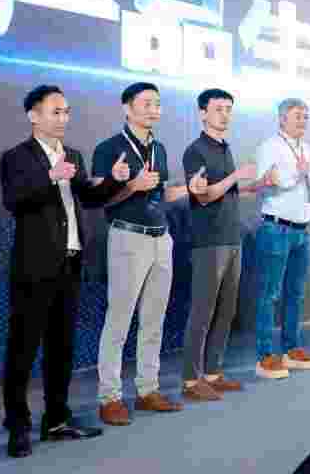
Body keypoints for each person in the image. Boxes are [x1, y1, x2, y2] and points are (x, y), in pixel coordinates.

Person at [0, 85, 130, 458]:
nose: (63, 118)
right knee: (22, 349)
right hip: (33, 267)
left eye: (66, 111)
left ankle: (56, 419)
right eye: (55, 111)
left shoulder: (73, 154)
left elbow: (88, 198)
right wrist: (51, 176)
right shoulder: (17, 156)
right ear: (33, 115)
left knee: (61, 348)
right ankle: (17, 425)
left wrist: (114, 180)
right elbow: (14, 200)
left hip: (70, 265)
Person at [92, 82, 206, 425]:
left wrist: (189, 189)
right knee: (119, 321)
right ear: (127, 108)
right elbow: (98, 200)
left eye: (157, 103)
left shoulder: (159, 148)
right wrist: (130, 185)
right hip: (128, 237)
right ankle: (109, 397)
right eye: (146, 103)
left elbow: (160, 196)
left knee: (154, 320)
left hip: (161, 239)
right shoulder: (108, 148)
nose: (153, 109)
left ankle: (148, 390)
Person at [180, 89, 268, 401]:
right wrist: (236, 176)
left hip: (232, 238)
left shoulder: (223, 147)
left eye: (229, 109)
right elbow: (204, 196)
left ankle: (213, 373)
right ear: (203, 113)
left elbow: (226, 192)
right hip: (209, 241)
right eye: (219, 108)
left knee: (226, 309)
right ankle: (191, 380)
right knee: (203, 311)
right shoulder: (195, 151)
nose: (225, 114)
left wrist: (255, 185)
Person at [253, 98, 310, 379]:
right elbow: (267, 185)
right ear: (282, 119)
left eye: (306, 116)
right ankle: (265, 356)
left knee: (295, 293)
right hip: (276, 229)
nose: (303, 120)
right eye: (297, 116)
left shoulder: (307, 149)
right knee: (269, 294)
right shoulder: (269, 146)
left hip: (302, 231)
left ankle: (291, 350)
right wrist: (297, 173)